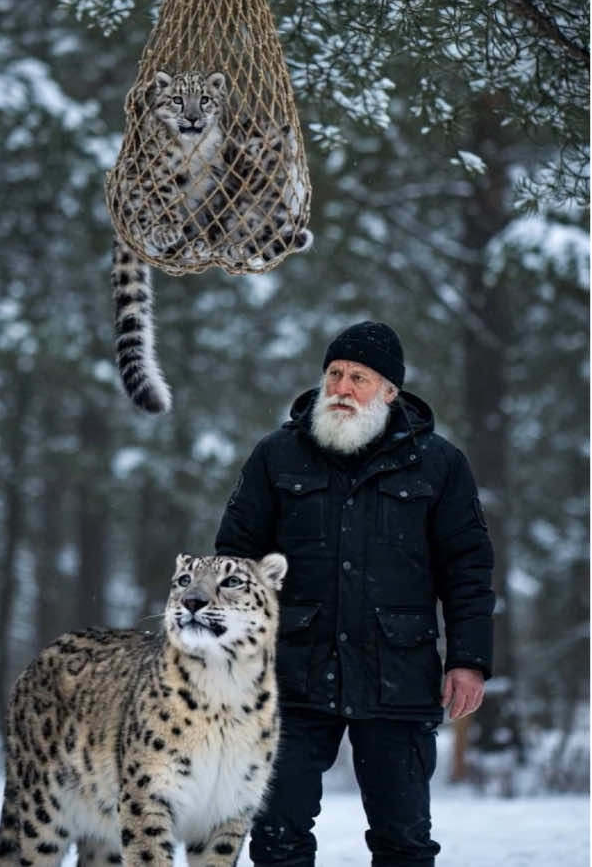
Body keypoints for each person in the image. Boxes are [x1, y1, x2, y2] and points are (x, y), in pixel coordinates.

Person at [215, 321, 495, 867]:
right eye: (334, 374)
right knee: (276, 837)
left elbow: (468, 569)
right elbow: (235, 561)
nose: (341, 388)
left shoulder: (440, 464)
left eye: (358, 378)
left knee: (404, 841)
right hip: (290, 675)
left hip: (399, 673)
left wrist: (468, 661)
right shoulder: (277, 456)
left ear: (390, 391)